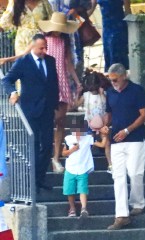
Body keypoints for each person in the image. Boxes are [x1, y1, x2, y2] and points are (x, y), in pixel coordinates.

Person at [0, 12, 81, 173]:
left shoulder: (59, 48)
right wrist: (9, 64)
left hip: (53, 93)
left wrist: (75, 83)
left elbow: (64, 68)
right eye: (41, 48)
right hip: (35, 97)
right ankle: (38, 173)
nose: (45, 50)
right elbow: (15, 69)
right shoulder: (33, 51)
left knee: (53, 132)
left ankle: (49, 165)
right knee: (38, 136)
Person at [1, 34, 59, 192]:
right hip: (30, 108)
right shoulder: (23, 62)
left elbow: (54, 83)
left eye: (45, 47)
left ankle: (39, 178)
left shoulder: (50, 61)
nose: (44, 50)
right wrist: (13, 92)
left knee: (47, 145)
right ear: (33, 46)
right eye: (41, 48)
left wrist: (55, 104)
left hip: (47, 109)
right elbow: (7, 79)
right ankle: (32, 181)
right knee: (33, 144)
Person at [102, 63, 145, 230]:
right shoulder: (110, 92)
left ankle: (137, 202)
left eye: (115, 79)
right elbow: (109, 113)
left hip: (135, 138)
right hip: (116, 140)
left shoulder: (137, 90)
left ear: (124, 77)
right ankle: (121, 215)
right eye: (110, 79)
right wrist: (105, 125)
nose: (112, 82)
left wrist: (127, 130)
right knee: (118, 176)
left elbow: (144, 115)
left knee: (135, 173)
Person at [75, 71, 112, 172]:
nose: (92, 90)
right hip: (89, 122)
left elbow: (108, 105)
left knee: (106, 143)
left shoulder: (103, 94)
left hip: (102, 123)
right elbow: (76, 105)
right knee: (87, 143)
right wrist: (78, 93)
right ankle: (84, 164)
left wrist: (102, 93)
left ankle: (110, 164)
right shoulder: (86, 95)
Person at [62, 119, 94, 217]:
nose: (78, 133)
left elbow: (100, 144)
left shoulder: (88, 138)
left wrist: (104, 136)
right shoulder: (68, 139)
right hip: (70, 168)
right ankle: (72, 208)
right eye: (76, 131)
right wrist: (73, 149)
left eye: (80, 131)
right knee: (69, 189)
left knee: (83, 189)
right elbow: (63, 153)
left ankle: (84, 208)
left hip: (83, 168)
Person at [89, 0, 131, 72]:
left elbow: (128, 12)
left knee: (117, 57)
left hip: (119, 28)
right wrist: (77, 21)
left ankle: (119, 79)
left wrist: (130, 28)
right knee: (108, 56)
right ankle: (111, 80)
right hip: (106, 30)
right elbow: (89, 11)